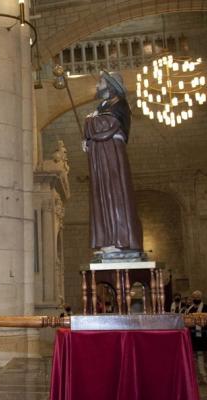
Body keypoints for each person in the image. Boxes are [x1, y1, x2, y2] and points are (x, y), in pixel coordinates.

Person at [82, 71, 143, 260]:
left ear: (110, 86)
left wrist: (89, 122)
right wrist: (89, 136)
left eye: (100, 82)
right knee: (103, 195)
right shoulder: (104, 106)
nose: (97, 86)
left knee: (114, 194)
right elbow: (97, 127)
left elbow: (109, 125)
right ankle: (108, 239)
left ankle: (120, 241)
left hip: (111, 154)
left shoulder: (120, 104)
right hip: (102, 153)